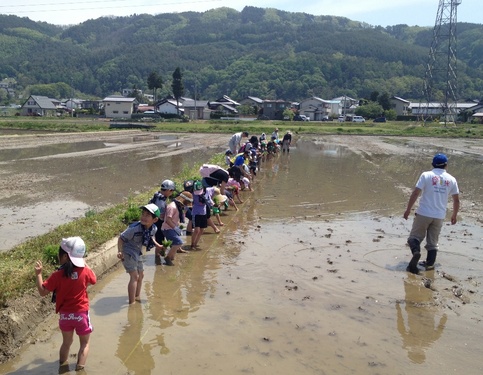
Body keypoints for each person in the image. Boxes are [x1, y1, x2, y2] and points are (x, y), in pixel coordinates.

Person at [34, 237, 97, 372]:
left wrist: (38, 274)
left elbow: (42, 292)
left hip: (65, 317)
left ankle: (62, 367)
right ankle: (80, 369)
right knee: (84, 343)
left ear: (63, 256)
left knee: (66, 343)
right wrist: (85, 264)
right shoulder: (85, 271)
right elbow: (94, 279)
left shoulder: (57, 275)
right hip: (81, 315)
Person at [403, 153, 460, 274]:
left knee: (414, 238)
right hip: (439, 216)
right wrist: (454, 215)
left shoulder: (426, 175)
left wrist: (408, 209)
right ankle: (429, 265)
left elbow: (415, 193)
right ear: (446, 165)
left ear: (433, 164)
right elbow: (456, 200)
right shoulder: (452, 179)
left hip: (424, 213)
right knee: (433, 243)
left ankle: (416, 252)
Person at [117, 203, 161, 303]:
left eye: (147, 215)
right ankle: (132, 303)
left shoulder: (154, 228)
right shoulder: (134, 228)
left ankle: (137, 296)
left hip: (138, 252)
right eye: (143, 214)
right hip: (128, 252)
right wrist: (119, 251)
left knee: (141, 275)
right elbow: (121, 238)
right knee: (134, 276)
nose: (144, 217)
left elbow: (151, 237)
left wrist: (157, 244)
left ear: (155, 220)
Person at [162, 191, 193, 265]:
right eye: (186, 202)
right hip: (168, 228)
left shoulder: (179, 206)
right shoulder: (172, 207)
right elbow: (168, 220)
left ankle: (173, 255)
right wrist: (175, 228)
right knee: (178, 242)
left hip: (173, 227)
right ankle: (168, 257)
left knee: (175, 243)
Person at [149, 179, 176, 258]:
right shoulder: (160, 201)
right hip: (158, 222)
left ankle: (160, 255)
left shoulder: (158, 195)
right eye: (171, 191)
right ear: (168, 190)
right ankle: (157, 257)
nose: (172, 193)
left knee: (160, 239)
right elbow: (160, 215)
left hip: (156, 220)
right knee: (159, 240)